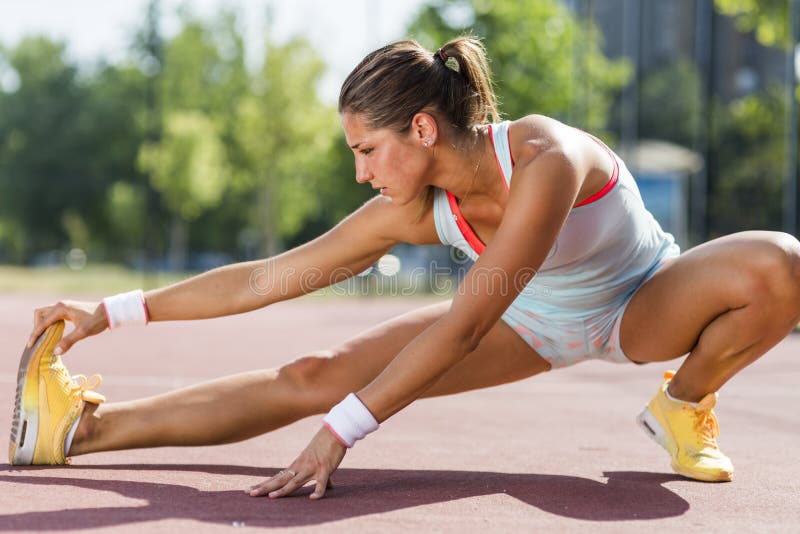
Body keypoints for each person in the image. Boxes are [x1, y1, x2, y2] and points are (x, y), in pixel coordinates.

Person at [10, 37, 800, 500]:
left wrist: (340, 433)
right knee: (314, 370)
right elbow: (269, 277)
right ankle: (79, 433)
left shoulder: (545, 159)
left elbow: (464, 328)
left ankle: (683, 403)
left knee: (781, 265)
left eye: (365, 150)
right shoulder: (413, 205)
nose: (359, 172)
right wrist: (108, 312)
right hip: (532, 324)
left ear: (422, 127)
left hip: (642, 302)